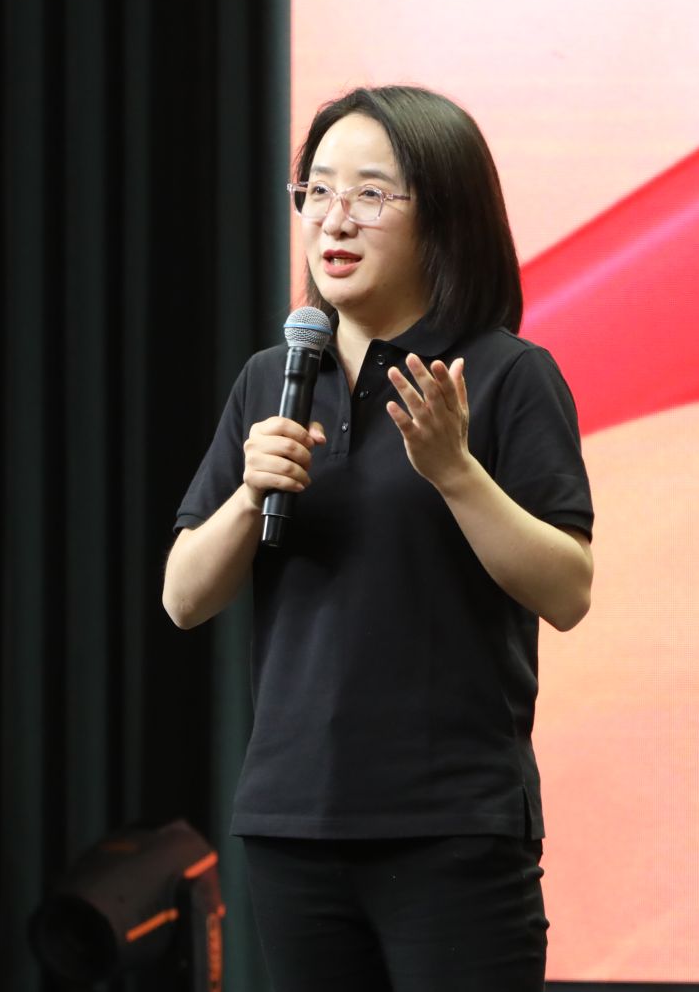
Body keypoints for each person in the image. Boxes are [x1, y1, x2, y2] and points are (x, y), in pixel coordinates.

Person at [163, 85, 595, 991]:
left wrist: (455, 471)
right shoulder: (272, 379)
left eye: (369, 193)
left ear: (443, 214)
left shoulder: (506, 377)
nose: (334, 219)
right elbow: (183, 598)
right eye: (316, 191)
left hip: (453, 827)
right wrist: (248, 494)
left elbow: (567, 591)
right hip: (292, 825)